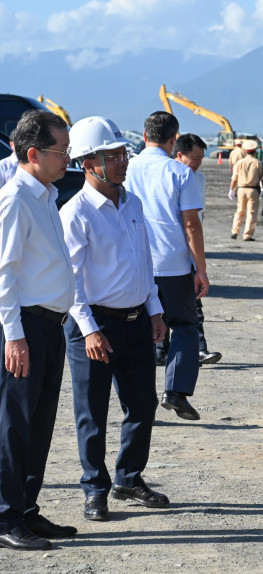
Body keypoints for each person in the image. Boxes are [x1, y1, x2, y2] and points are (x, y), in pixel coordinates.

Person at [60, 116, 170, 523]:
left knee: (142, 404)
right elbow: (69, 280)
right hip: (95, 326)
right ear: (88, 162)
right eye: (113, 156)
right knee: (92, 412)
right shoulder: (75, 213)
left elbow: (145, 262)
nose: (123, 162)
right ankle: (95, 488)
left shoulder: (133, 202)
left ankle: (129, 478)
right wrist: (89, 329)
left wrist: (155, 310)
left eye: (124, 154)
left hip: (137, 321)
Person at [0, 110, 77, 550]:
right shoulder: (15, 199)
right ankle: (5, 516)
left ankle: (26, 508)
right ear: (33, 153)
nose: (66, 158)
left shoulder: (45, 196)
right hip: (25, 326)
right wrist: (13, 334)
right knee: (15, 423)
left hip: (50, 325)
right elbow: (4, 272)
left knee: (40, 423)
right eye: (60, 151)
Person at [125, 111, 208, 421]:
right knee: (185, 326)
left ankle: (139, 397)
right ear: (174, 140)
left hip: (134, 264)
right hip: (172, 265)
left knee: (138, 332)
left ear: (145, 136)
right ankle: (175, 391)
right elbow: (191, 224)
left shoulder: (126, 167)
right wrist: (201, 268)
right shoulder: (180, 173)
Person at [173, 134, 222, 366]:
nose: (198, 163)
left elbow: (197, 218)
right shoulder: (170, 176)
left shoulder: (199, 178)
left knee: (194, 303)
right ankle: (160, 350)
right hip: (170, 249)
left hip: (191, 248)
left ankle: (199, 348)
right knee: (161, 305)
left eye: (201, 158)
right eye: (195, 158)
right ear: (179, 155)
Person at [230, 139, 263, 241]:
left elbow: (234, 178)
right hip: (253, 190)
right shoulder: (258, 163)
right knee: (252, 213)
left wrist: (231, 190)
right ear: (255, 151)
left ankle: (234, 231)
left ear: (245, 151)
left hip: (241, 189)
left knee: (239, 211)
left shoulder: (239, 163)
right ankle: (247, 235)